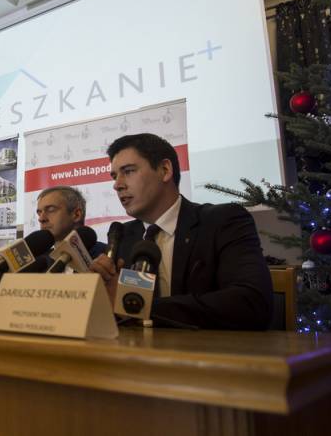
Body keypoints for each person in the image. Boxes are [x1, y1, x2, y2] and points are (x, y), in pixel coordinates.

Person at [90, 133, 273, 330]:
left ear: (165, 170)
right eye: (114, 176)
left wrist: (144, 307)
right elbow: (123, 315)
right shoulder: (124, 235)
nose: (117, 185)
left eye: (128, 171)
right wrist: (100, 294)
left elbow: (251, 304)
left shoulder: (223, 221)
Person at [36, 185, 107, 260]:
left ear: (77, 215)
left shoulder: (108, 255)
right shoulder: (38, 261)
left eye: (51, 209)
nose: (41, 219)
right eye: (39, 213)